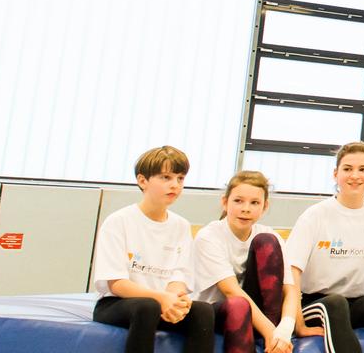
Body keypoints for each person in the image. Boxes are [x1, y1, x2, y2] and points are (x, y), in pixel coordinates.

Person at [284, 142, 364, 353]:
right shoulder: (315, 216)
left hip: (359, 303)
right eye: (347, 169)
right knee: (336, 303)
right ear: (336, 174)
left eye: (362, 169)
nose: (355, 175)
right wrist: (297, 323)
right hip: (319, 303)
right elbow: (292, 272)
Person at [90, 145, 214, 353]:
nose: (175, 185)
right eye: (166, 177)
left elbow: (180, 275)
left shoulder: (181, 225)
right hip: (119, 303)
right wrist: (161, 298)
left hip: (163, 303)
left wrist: (173, 299)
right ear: (142, 181)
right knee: (148, 306)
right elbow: (117, 284)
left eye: (180, 178)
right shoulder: (118, 221)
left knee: (203, 310)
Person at [193, 170, 295, 353]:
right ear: (225, 202)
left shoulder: (270, 234)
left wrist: (284, 331)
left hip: (260, 315)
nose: (246, 209)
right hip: (219, 312)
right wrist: (270, 333)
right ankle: (269, 334)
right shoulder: (209, 236)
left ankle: (271, 337)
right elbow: (230, 290)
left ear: (264, 206)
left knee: (266, 241)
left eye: (254, 203)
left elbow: (290, 290)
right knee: (238, 305)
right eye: (238, 201)